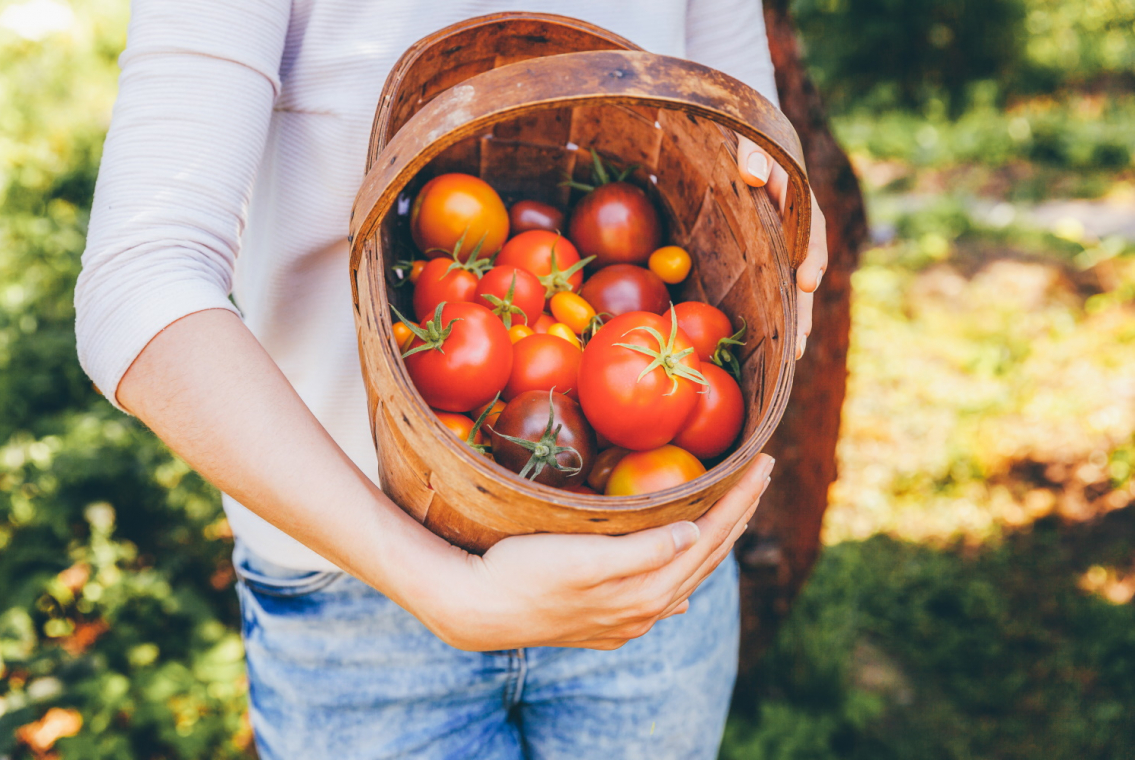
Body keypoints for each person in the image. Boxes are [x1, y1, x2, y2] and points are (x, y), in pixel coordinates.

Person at [74, 1, 828, 757]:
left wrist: (783, 210)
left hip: (646, 568)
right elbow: (138, 284)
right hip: (350, 589)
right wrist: (443, 588)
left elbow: (742, 149)